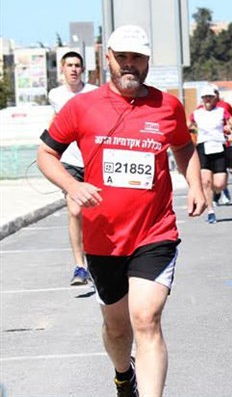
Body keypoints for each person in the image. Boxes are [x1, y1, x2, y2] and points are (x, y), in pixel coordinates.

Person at [37, 24, 205, 397]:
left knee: (145, 318)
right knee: (116, 328)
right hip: (104, 237)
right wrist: (72, 185)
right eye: (123, 57)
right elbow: (46, 153)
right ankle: (122, 373)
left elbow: (183, 146)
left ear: (148, 61)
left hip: (154, 232)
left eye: (138, 58)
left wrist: (195, 184)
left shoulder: (168, 106)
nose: (130, 65)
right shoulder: (82, 107)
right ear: (108, 58)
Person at [48, 51, 97, 286]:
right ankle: (80, 267)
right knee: (75, 211)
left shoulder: (94, 93)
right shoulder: (55, 95)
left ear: (83, 69)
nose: (74, 69)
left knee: (96, 215)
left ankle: (98, 259)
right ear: (62, 69)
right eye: (69, 65)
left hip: (94, 160)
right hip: (70, 163)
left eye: (78, 65)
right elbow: (56, 122)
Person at [189, 84, 232, 223]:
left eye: (210, 97)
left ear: (214, 98)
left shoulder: (221, 111)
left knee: (219, 183)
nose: (207, 99)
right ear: (202, 99)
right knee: (206, 181)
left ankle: (218, 192)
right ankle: (210, 211)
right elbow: (187, 125)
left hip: (219, 146)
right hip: (203, 147)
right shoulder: (196, 113)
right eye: (205, 97)